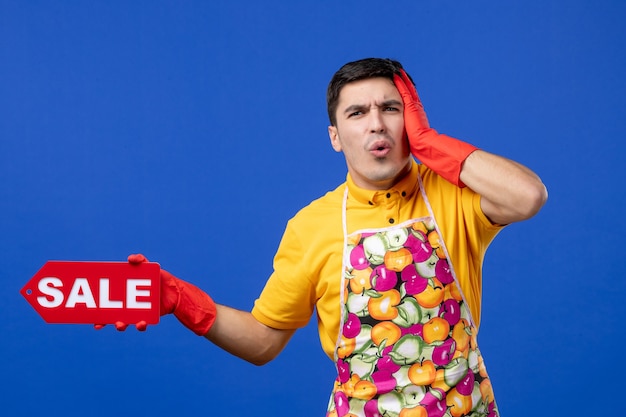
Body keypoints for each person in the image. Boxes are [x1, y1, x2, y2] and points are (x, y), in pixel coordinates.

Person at [101, 58, 547, 417]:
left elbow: (528, 196)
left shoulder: (452, 195)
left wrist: (430, 143)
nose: (376, 124)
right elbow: (263, 341)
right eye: (357, 113)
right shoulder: (311, 225)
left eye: (390, 108)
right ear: (335, 137)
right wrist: (179, 299)